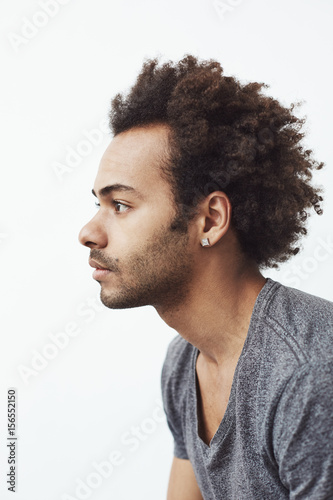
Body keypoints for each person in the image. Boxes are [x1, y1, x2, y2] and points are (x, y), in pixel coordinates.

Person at [78, 55, 333, 499]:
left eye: (120, 205)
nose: (88, 232)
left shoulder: (309, 377)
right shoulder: (183, 366)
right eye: (98, 205)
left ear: (210, 220)